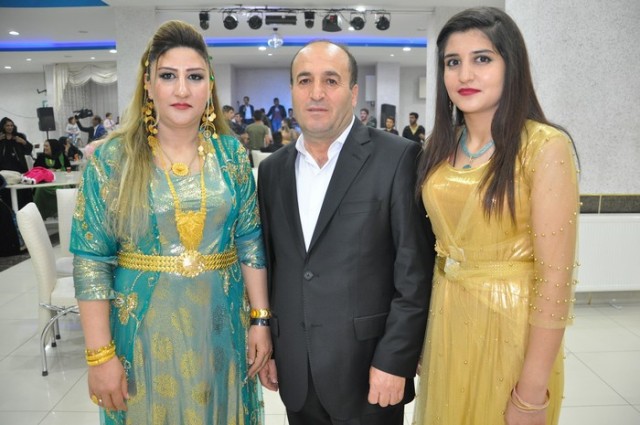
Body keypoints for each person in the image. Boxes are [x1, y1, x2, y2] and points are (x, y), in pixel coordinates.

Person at [70, 20, 271, 425]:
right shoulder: (114, 160)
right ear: (148, 84)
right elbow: (91, 261)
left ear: (209, 86)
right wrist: (100, 356)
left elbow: (250, 241)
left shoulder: (231, 154)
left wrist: (260, 320)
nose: (182, 90)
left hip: (221, 327)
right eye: (168, 76)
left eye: (194, 77)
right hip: (143, 332)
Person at [412, 7, 579, 425]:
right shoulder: (439, 147)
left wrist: (531, 392)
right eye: (453, 62)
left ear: (512, 65)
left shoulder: (543, 147)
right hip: (446, 322)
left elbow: (555, 280)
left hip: (510, 330)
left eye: (482, 59)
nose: (465, 74)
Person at [257, 40, 434, 425]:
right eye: (305, 80)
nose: (316, 93)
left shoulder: (397, 158)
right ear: (292, 91)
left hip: (369, 373)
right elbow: (274, 266)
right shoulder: (272, 171)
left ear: (353, 93)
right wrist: (272, 346)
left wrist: (395, 360)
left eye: (331, 80)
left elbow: (415, 273)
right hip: (297, 371)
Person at [33, 138, 71, 219]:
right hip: (45, 184)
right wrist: (46, 171)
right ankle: (39, 216)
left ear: (53, 147)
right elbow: (35, 170)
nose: (45, 148)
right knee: (40, 190)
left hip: (60, 182)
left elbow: (68, 168)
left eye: (47, 146)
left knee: (66, 189)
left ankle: (65, 214)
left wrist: (58, 171)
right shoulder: (41, 157)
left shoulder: (61, 156)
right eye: (44, 146)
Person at [0, 117, 33, 209]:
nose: (10, 127)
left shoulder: (19, 136)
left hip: (19, 168)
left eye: (11, 125)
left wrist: (23, 142)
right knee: (7, 193)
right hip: (4, 170)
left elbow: (29, 150)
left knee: (22, 193)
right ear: (3, 126)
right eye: (7, 125)